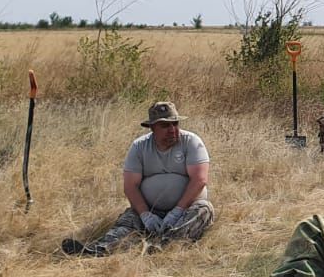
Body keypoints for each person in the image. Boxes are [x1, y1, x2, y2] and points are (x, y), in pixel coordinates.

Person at [62, 101, 214, 256]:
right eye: (165, 126)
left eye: (175, 124)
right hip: (150, 209)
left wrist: (177, 211)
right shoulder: (139, 147)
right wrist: (145, 215)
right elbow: (130, 186)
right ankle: (97, 250)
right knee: (127, 222)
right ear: (152, 127)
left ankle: (163, 246)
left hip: (187, 209)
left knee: (203, 211)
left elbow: (199, 180)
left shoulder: (191, 142)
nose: (172, 130)